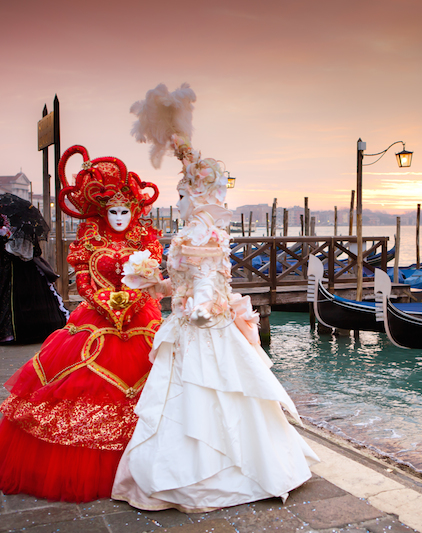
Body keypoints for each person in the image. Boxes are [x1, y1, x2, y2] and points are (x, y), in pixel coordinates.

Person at [111, 83, 318, 512]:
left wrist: (201, 305)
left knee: (205, 396)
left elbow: (206, 280)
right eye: (183, 194)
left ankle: (208, 477)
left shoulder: (198, 231)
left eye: (185, 194)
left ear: (197, 195)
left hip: (203, 326)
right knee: (214, 396)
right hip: (195, 322)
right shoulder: (203, 231)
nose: (181, 200)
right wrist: (157, 286)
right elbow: (190, 282)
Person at [0, 146, 163, 502]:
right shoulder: (90, 240)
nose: (120, 218)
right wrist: (103, 303)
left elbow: (151, 279)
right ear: (102, 211)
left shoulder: (145, 241)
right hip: (96, 321)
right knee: (77, 384)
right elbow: (83, 281)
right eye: (113, 211)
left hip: (140, 319)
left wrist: (134, 301)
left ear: (135, 210)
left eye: (125, 210)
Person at [0, 193, 68, 344]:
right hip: (12, 271)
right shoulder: (15, 229)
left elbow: (24, 253)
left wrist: (4, 245)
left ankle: (19, 332)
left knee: (21, 302)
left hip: (21, 272)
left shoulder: (24, 230)